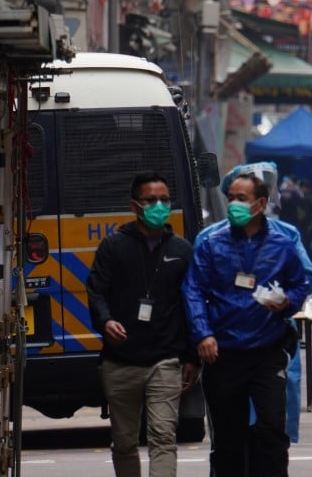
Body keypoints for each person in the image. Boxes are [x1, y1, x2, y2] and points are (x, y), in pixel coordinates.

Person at [182, 173, 312, 477]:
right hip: (223, 354)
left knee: (271, 430)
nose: (234, 205)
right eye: (231, 198)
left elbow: (300, 283)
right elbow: (192, 290)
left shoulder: (282, 245)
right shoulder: (212, 244)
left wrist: (288, 301)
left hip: (267, 351)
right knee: (228, 438)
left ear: (261, 203)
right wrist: (203, 334)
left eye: (241, 199)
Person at [86, 172, 200, 477]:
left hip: (165, 360)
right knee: (124, 441)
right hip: (120, 362)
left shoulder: (181, 250)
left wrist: (191, 356)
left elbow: (193, 305)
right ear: (135, 205)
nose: (159, 206)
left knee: (163, 437)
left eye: (164, 200)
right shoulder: (113, 246)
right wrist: (106, 321)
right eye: (151, 200)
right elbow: (96, 291)